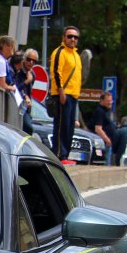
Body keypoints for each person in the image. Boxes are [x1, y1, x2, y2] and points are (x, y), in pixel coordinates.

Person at [47, 25, 83, 160]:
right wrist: (60, 91)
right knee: (61, 126)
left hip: (73, 95)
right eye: (70, 36)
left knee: (69, 128)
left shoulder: (76, 55)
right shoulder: (60, 52)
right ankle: (59, 154)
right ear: (64, 38)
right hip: (63, 94)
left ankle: (65, 155)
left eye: (75, 37)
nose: (73, 39)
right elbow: (56, 72)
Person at [86, 90, 117, 166]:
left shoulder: (106, 111)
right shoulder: (100, 111)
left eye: (111, 100)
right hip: (103, 144)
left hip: (106, 143)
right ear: (102, 101)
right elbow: (98, 129)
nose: (110, 102)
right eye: (108, 101)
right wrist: (107, 140)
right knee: (105, 163)